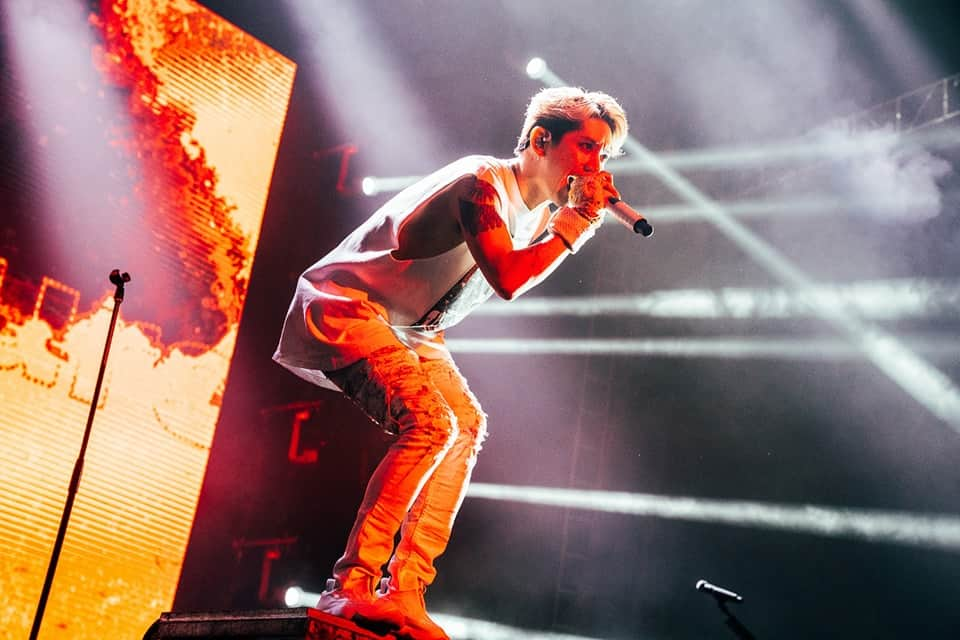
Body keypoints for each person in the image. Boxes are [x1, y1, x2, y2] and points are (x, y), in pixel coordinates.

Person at [273, 86, 628, 640]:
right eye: (586, 147)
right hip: (351, 304)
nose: (594, 165)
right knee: (430, 424)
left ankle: (406, 591)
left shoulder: (533, 217)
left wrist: (567, 226)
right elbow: (507, 280)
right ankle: (351, 586)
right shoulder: (479, 184)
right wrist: (577, 224)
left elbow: (519, 269)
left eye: (602, 155)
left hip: (414, 326)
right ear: (541, 139)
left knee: (466, 428)